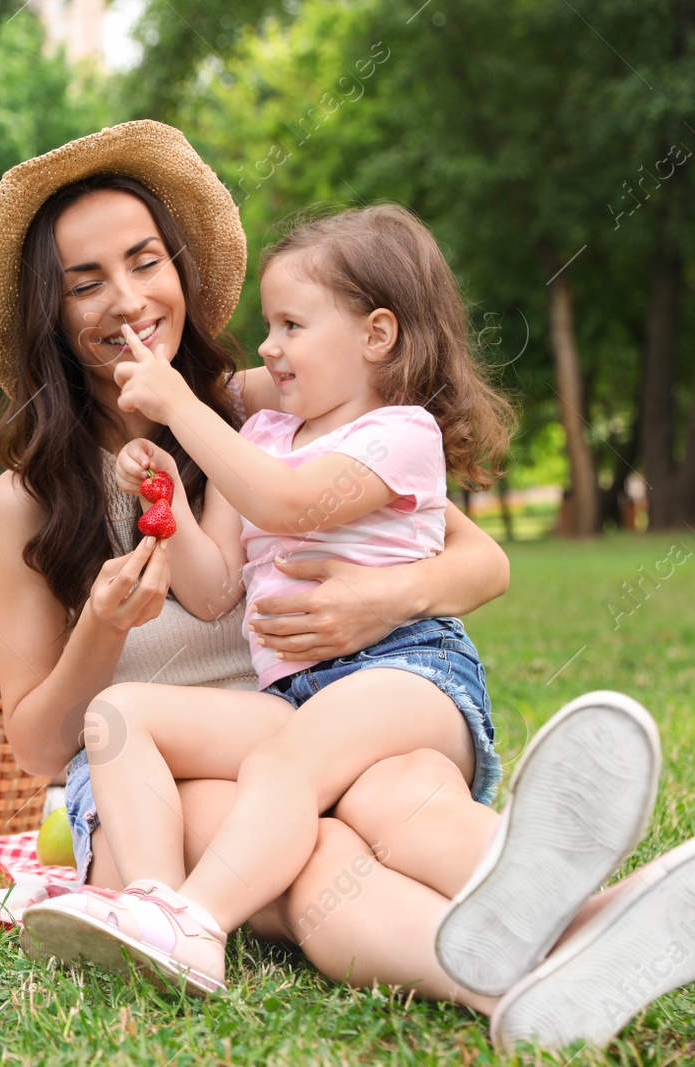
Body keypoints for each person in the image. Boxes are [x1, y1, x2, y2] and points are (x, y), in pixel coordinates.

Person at [0, 121, 695, 1048]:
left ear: (180, 271)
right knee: (317, 859)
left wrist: (376, 602)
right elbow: (35, 741)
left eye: (146, 262)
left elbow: (478, 560)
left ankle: (580, 925)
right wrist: (100, 631)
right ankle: (526, 973)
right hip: (173, 775)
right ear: (49, 313)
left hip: (322, 717)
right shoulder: (26, 498)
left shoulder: (256, 407)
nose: (129, 300)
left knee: (403, 790)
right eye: (86, 282)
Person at [41, 203, 513, 992]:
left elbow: (291, 505)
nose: (268, 346)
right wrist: (173, 502)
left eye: (291, 325)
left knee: (288, 769)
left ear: (376, 336)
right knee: (119, 713)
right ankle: (154, 912)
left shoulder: (397, 434)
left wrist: (185, 410)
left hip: (405, 670)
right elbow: (217, 587)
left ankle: (197, 918)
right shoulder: (262, 435)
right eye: (269, 325)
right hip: (298, 695)